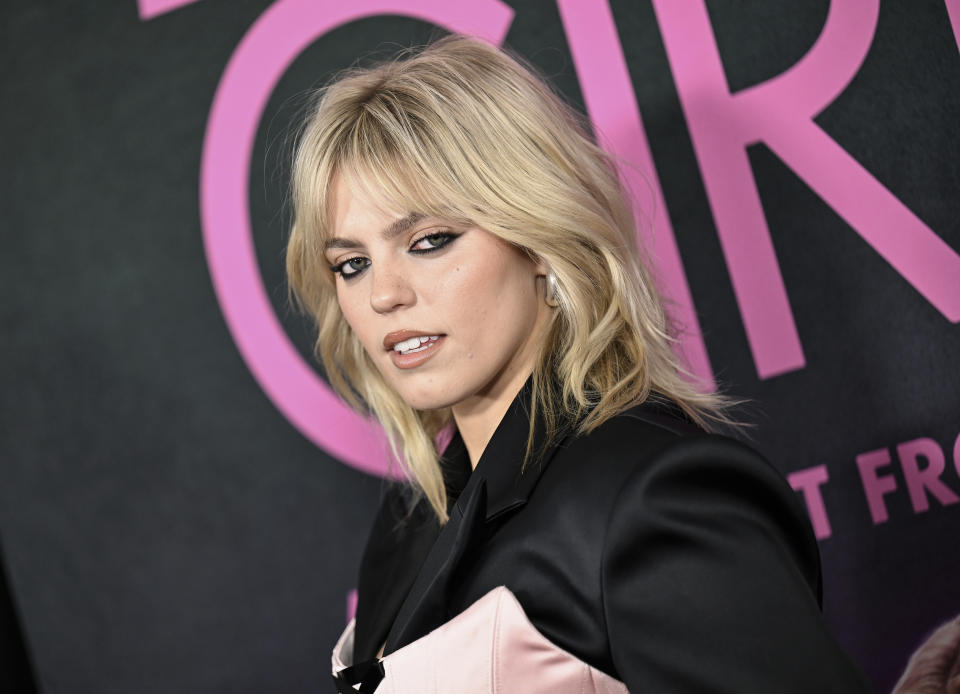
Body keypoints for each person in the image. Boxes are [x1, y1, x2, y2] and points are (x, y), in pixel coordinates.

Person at [285, 34, 871, 693]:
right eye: (352, 264)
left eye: (429, 241)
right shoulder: (414, 521)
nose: (384, 294)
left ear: (537, 239)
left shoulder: (650, 494)